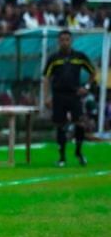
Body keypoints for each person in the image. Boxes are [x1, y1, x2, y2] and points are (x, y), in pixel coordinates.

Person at [43, 29, 97, 167]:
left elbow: (93, 72)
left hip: (74, 95)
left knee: (79, 123)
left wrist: (86, 87)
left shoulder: (79, 56)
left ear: (71, 41)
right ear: (58, 42)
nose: (65, 42)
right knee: (60, 125)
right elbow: (46, 78)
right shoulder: (54, 59)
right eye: (62, 40)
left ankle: (78, 152)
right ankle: (62, 158)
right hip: (59, 95)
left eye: (67, 39)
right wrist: (47, 96)